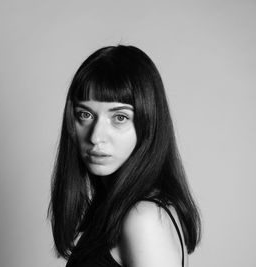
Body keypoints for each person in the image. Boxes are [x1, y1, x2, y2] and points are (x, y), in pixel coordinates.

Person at [48, 45, 201, 267]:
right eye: (85, 114)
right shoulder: (119, 209)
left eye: (119, 117)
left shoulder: (143, 218)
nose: (96, 136)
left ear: (148, 124)